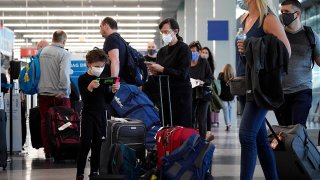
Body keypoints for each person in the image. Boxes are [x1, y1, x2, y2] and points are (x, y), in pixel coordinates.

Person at [236, 0, 291, 179]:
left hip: (262, 87)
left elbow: (286, 51)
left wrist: (254, 44)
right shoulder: (244, 19)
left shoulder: (268, 19)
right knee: (260, 141)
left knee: (246, 135)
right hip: (246, 84)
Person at [274, 0, 320, 127]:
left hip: (302, 90)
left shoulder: (311, 36)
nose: (283, 15)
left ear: (297, 14)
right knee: (284, 131)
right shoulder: (278, 36)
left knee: (298, 128)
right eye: (281, 12)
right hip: (280, 92)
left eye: (286, 12)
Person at [76, 48, 120, 180]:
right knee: (85, 143)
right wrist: (89, 88)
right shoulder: (83, 78)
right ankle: (80, 172)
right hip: (88, 114)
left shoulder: (104, 79)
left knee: (97, 144)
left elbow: (106, 100)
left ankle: (94, 171)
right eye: (96, 66)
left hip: (101, 115)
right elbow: (85, 99)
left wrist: (113, 91)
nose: (99, 69)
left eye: (102, 66)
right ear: (88, 63)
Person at [147, 18, 193, 127]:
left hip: (180, 95)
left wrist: (162, 69)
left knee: (180, 126)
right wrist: (155, 73)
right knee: (166, 125)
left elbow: (182, 74)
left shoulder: (184, 49)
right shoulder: (162, 51)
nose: (164, 34)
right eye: (162, 32)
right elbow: (160, 74)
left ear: (175, 31)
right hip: (165, 95)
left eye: (166, 32)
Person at [38, 30, 72, 158]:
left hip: (43, 92)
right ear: (64, 41)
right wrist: (63, 90)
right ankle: (64, 146)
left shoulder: (41, 52)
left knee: (44, 122)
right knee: (65, 120)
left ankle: (48, 150)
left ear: (53, 39)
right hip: (59, 94)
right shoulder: (64, 54)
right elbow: (63, 73)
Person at [189, 41, 213, 139]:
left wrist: (202, 82)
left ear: (199, 52)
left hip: (203, 94)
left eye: (194, 51)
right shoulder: (186, 63)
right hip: (190, 93)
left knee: (201, 118)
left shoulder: (204, 62)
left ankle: (202, 141)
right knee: (191, 118)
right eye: (190, 52)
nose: (192, 54)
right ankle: (191, 139)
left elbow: (210, 78)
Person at [100, 17, 127, 81]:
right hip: (122, 80)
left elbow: (115, 61)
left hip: (116, 82)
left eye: (100, 27)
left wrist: (113, 82)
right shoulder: (121, 40)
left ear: (106, 26)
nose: (100, 31)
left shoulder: (111, 38)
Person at [218, 64, 235, 131]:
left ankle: (227, 124)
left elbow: (217, 84)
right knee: (230, 110)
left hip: (223, 96)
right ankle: (229, 123)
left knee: (226, 111)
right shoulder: (233, 76)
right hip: (231, 96)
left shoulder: (221, 75)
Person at [142, 40, 159, 106]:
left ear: (156, 48)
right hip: (146, 86)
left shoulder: (159, 59)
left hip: (157, 86)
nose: (151, 48)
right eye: (149, 47)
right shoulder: (143, 59)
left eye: (152, 47)